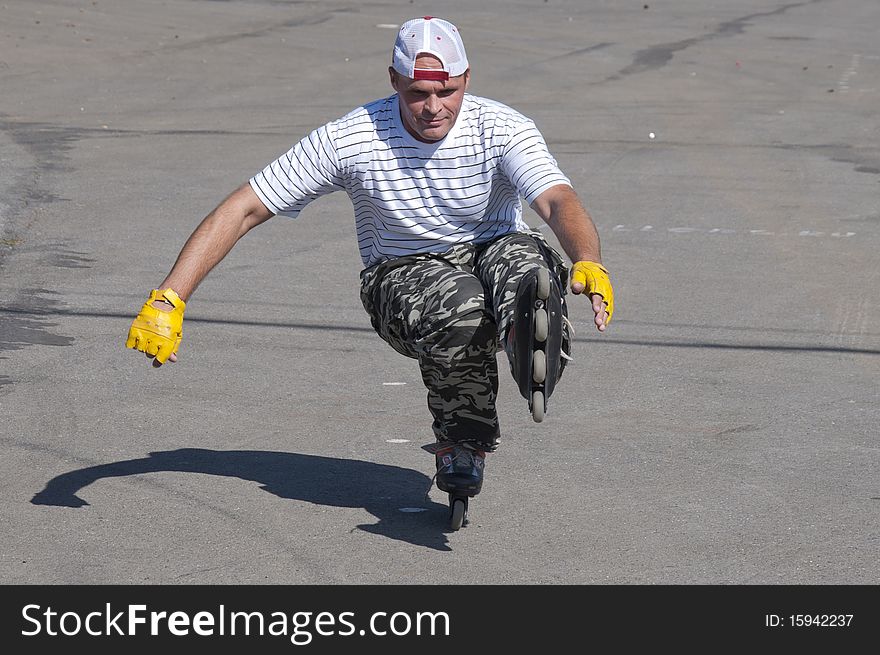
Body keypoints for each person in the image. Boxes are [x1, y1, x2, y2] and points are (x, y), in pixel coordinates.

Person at [125, 16, 614, 529]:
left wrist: (589, 261)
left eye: (446, 91)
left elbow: (557, 200)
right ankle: (463, 440)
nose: (433, 107)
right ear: (393, 81)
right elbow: (245, 207)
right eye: (417, 92)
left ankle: (529, 328)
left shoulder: (502, 128)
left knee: (522, 258)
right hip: (403, 275)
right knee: (462, 305)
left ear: (467, 79)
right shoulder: (353, 138)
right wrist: (169, 298)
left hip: (492, 251)